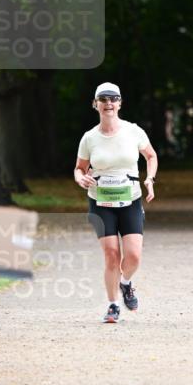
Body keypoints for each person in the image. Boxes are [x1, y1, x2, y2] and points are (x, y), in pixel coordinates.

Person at [74, 82, 158, 323]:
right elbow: (79, 169)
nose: (108, 103)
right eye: (103, 99)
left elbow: (151, 156)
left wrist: (149, 179)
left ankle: (125, 283)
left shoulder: (133, 131)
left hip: (130, 200)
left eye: (113, 99)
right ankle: (112, 305)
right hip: (100, 203)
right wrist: (81, 179)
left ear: (120, 103)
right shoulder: (90, 138)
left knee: (133, 257)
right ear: (96, 104)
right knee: (111, 255)